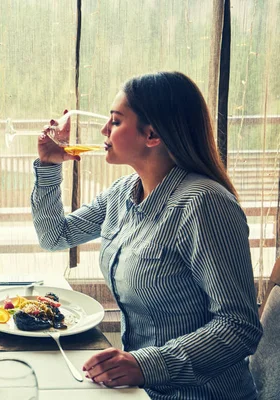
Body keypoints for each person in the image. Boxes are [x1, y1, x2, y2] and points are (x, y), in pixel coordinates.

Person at [31, 71, 263, 399]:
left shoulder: (204, 204)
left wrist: (145, 364)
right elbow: (55, 236)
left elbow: (239, 326)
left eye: (115, 121)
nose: (103, 130)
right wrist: (49, 165)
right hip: (138, 391)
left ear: (151, 134)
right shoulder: (123, 193)